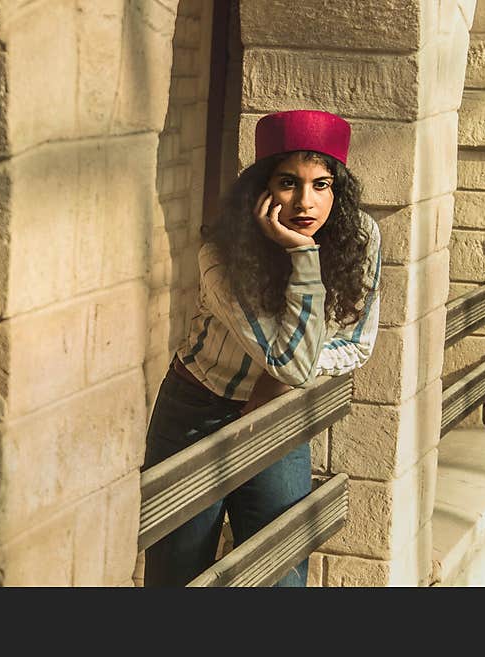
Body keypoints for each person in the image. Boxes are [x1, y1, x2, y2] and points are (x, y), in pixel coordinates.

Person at [143, 109, 382, 587]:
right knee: (178, 578)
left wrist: (286, 373)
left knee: (281, 573)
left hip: (278, 411)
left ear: (339, 189)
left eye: (322, 184)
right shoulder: (223, 253)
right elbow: (292, 362)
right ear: (262, 188)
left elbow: (356, 345)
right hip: (197, 415)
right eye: (288, 182)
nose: (305, 202)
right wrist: (303, 256)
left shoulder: (360, 238)